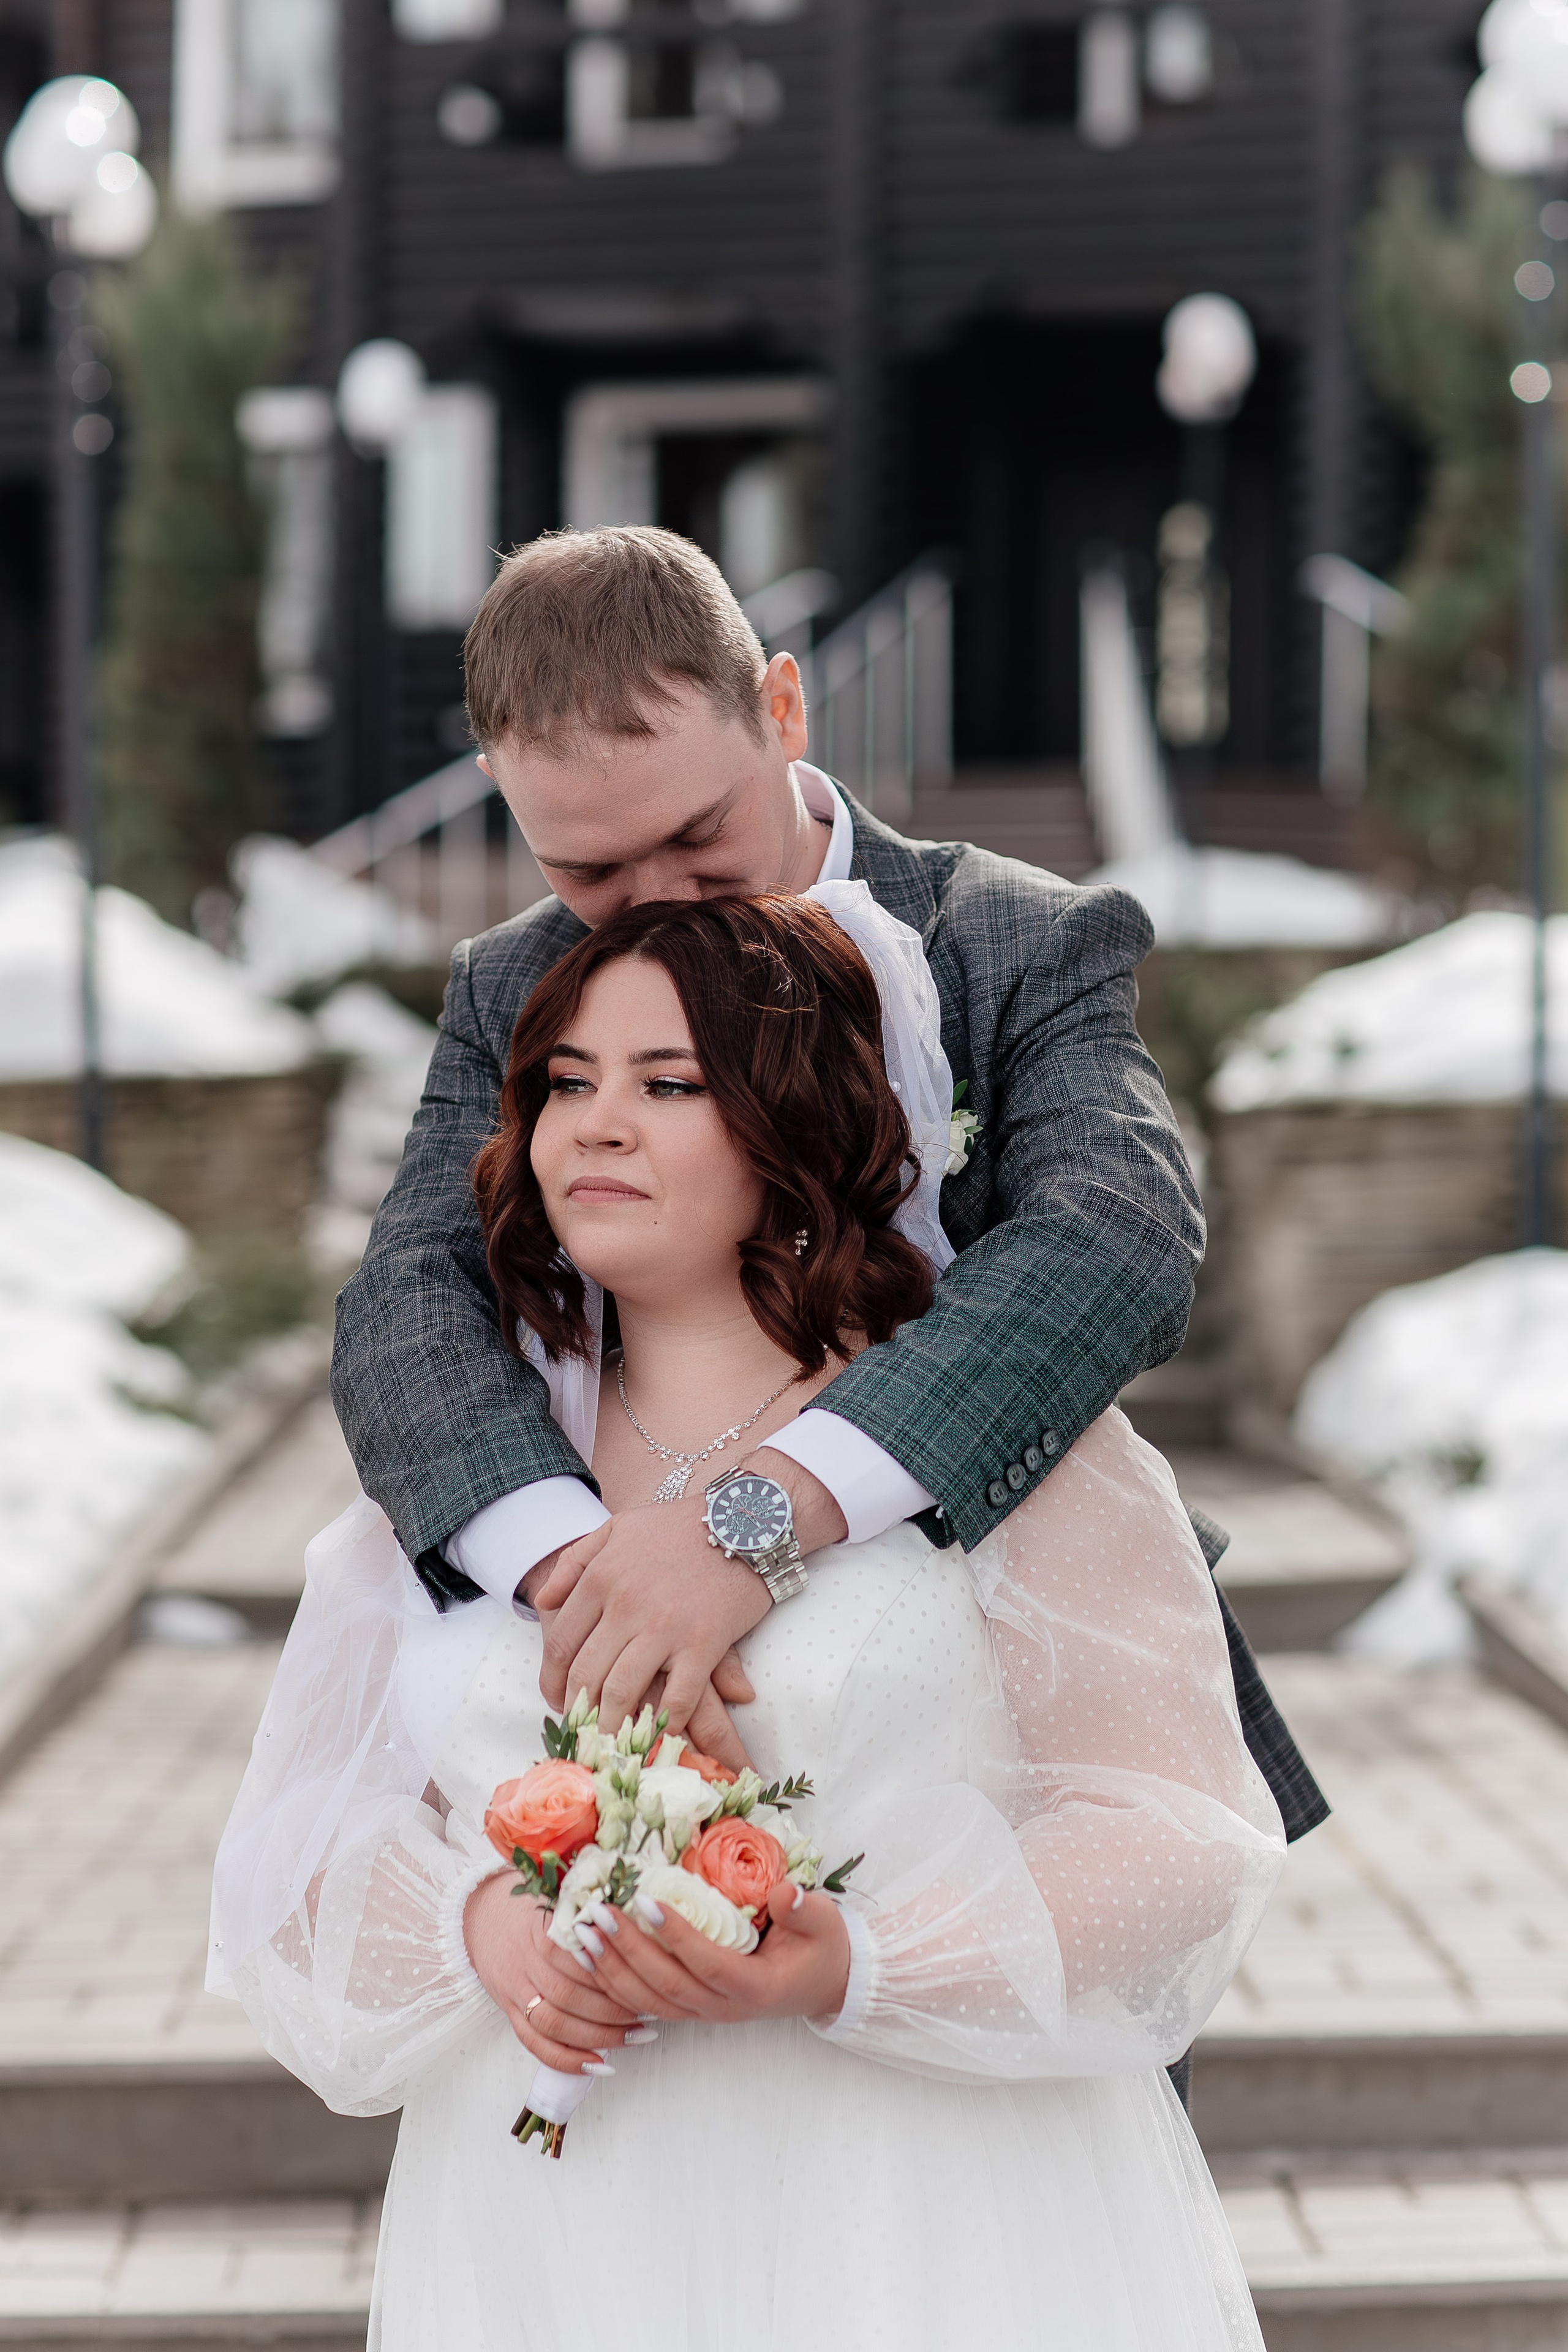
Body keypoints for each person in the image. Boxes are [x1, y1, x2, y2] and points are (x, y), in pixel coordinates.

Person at [214, 892, 1286, 2351]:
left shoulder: (1021, 1456)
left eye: (667, 1085)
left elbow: (1178, 1843)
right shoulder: (454, 1470)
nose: (594, 1125)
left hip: (920, 2210)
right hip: (551, 2219)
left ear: (799, 1135)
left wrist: (855, 1957)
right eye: (563, 1085)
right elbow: (291, 1862)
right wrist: (484, 1929)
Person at [330, 527, 1325, 1893]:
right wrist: (588, 1585)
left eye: (696, 834)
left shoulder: (1013, 938)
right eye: (591, 874)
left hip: (1014, 1706)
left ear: (782, 707)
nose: (657, 906)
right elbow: (406, 1303)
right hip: (633, 1700)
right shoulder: (511, 985)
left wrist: (749, 1524)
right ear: (501, 794)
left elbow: (1115, 1236)